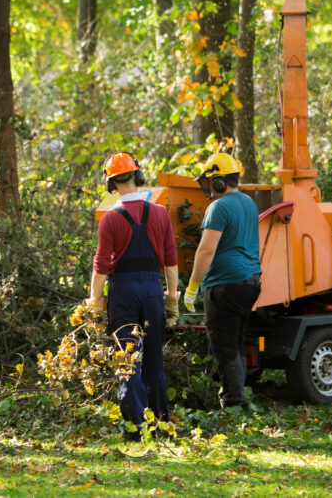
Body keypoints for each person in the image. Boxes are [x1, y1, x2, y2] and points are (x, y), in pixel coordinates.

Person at [88, 152, 180, 441]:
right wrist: (172, 298)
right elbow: (171, 260)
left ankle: (136, 429)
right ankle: (160, 425)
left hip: (124, 293)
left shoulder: (109, 220)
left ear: (111, 184)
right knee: (154, 360)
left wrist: (94, 301)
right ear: (138, 176)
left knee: (128, 360)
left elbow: (101, 266)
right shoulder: (161, 214)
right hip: (152, 291)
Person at [183, 152, 262, 409]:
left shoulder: (218, 207)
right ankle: (239, 399)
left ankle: (233, 404)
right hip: (250, 282)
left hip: (225, 284)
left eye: (210, 182)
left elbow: (206, 251)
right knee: (236, 341)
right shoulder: (249, 203)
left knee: (224, 346)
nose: (208, 187)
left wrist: (192, 287)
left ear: (218, 181)